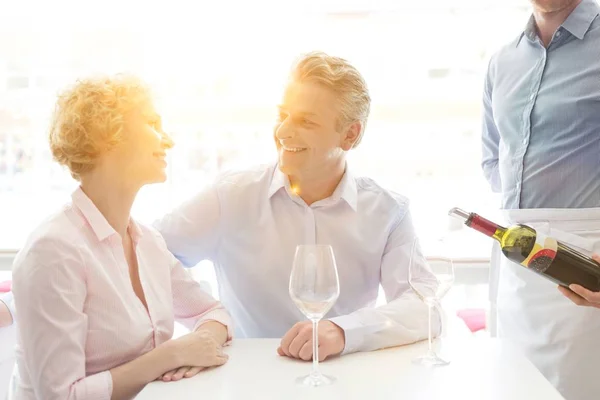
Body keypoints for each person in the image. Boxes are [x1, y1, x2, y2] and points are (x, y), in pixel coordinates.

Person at [154, 51, 437, 363]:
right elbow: (145, 254)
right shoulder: (231, 196)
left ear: (349, 134)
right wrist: (208, 319)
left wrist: (344, 332)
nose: (283, 131)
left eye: (306, 121)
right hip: (247, 378)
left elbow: (426, 306)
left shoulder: (388, 212)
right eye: (283, 115)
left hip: (347, 380)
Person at [11, 75, 233, 400]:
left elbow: (214, 313)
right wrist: (170, 356)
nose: (167, 140)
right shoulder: (53, 251)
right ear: (108, 135)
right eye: (153, 124)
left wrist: (202, 344)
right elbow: (61, 396)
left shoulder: (149, 243)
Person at [481, 0, 600, 398]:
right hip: (517, 259)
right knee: (515, 387)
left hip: (588, 257)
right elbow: (493, 158)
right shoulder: (502, 61)